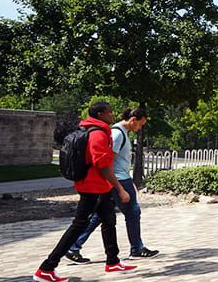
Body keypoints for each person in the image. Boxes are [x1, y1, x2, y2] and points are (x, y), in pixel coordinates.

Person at [33, 102, 136, 282]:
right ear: (101, 114)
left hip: (99, 187)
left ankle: (112, 261)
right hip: (93, 187)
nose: (113, 115)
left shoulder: (94, 130)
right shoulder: (97, 134)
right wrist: (120, 189)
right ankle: (47, 268)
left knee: (109, 220)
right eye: (110, 112)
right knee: (78, 225)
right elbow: (102, 165)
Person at [66, 107, 159, 263]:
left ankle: (73, 247)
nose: (140, 128)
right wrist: (120, 187)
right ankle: (136, 248)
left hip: (119, 179)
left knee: (100, 216)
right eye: (140, 124)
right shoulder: (117, 134)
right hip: (118, 179)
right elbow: (108, 161)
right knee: (133, 212)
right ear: (133, 119)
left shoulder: (121, 132)